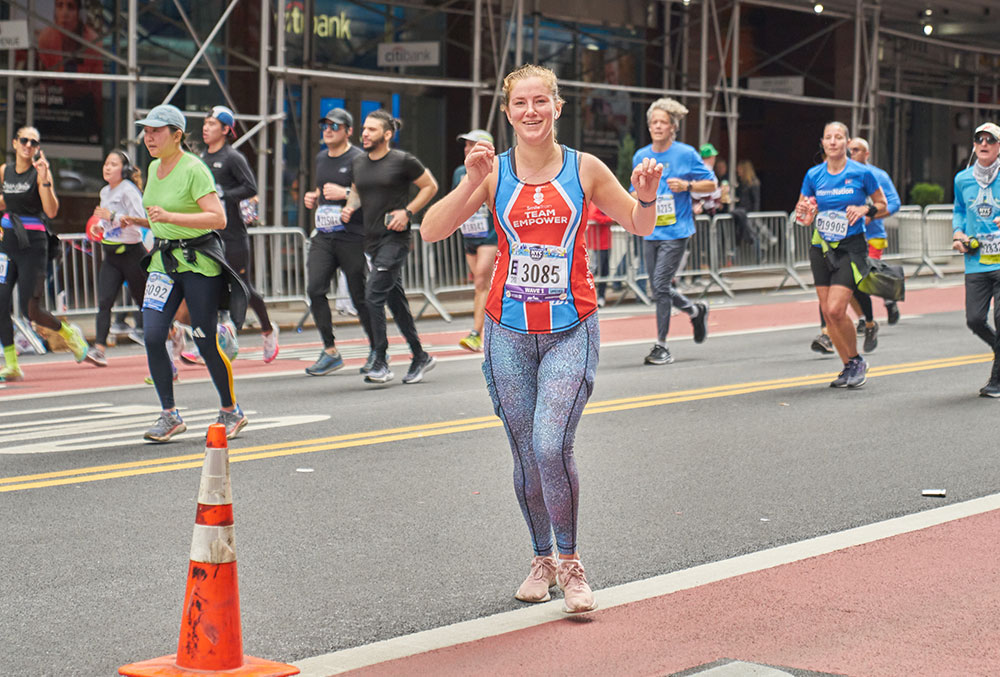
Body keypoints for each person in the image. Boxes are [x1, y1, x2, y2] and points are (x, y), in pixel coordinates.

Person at [421, 63, 663, 614]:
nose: (531, 112)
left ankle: (572, 564)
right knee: (526, 455)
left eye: (540, 101)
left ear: (558, 107)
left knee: (552, 446)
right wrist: (466, 181)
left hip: (569, 331)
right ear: (507, 113)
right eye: (520, 103)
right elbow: (432, 229)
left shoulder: (585, 169)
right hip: (506, 332)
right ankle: (541, 559)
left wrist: (645, 195)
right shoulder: (491, 172)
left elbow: (640, 224)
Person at [127, 104, 249, 442]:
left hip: (198, 263)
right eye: (146, 130)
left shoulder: (195, 169)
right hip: (164, 262)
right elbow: (159, 216)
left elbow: (217, 219)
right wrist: (139, 221)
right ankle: (169, 414)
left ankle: (230, 409)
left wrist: (170, 217)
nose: (149, 136)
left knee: (205, 339)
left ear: (177, 135)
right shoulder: (152, 168)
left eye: (156, 131)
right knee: (153, 335)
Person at [340, 110, 438, 385]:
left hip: (395, 240)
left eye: (371, 130)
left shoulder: (403, 161)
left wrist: (407, 212)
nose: (365, 134)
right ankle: (420, 355)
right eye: (364, 129)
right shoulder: (359, 162)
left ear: (387, 134)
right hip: (370, 240)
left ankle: (380, 359)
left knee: (372, 295)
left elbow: (430, 187)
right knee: (396, 301)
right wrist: (349, 207)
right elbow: (358, 190)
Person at [795, 121, 886, 389]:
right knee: (828, 311)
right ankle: (848, 365)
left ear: (847, 143)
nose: (833, 142)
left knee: (836, 307)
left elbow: (882, 204)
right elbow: (802, 212)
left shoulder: (861, 173)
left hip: (851, 246)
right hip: (821, 246)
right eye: (828, 138)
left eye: (838, 137)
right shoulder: (813, 175)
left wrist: (864, 210)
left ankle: (857, 360)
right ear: (822, 143)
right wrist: (807, 214)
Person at [0, 126, 89, 382]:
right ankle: (12, 365)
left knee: (32, 311)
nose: (28, 145)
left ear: (37, 148)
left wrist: (45, 177)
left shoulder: (39, 173)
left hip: (34, 244)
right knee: (0, 302)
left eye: (34, 142)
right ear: (15, 143)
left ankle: (68, 333)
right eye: (24, 140)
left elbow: (51, 211)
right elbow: (6, 201)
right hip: (8, 245)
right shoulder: (5, 171)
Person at [632, 98, 716, 366]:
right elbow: (634, 190)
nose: (657, 126)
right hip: (650, 229)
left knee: (659, 285)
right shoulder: (640, 155)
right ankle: (694, 310)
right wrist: (637, 195)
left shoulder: (686, 153)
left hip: (676, 230)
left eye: (663, 122)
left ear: (672, 127)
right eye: (653, 122)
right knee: (659, 288)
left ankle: (662, 345)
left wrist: (687, 186)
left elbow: (711, 184)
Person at [200, 105, 279, 363]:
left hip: (233, 235)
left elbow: (250, 187)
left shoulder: (234, 158)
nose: (206, 127)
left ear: (225, 129)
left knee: (242, 287)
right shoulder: (202, 158)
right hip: (209, 235)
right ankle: (210, 342)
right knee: (207, 286)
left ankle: (267, 329)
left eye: (212, 124)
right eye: (205, 123)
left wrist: (223, 194)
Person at [302, 105, 374, 375]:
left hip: (352, 236)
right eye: (325, 126)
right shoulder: (321, 158)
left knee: (359, 297)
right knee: (314, 289)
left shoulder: (359, 158)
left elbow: (371, 195)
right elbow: (322, 192)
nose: (328, 130)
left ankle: (378, 350)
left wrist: (344, 192)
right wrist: (314, 197)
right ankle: (330, 350)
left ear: (349, 131)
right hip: (324, 235)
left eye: (335, 126)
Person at [83, 150, 148, 367]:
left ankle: (171, 333)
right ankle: (100, 349)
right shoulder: (104, 192)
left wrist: (114, 217)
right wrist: (98, 226)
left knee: (144, 303)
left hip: (132, 253)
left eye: (113, 164)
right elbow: (105, 221)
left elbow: (142, 219)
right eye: (106, 164)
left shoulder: (129, 190)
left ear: (125, 170)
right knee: (104, 301)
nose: (107, 167)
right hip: (111, 255)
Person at [951, 122, 1000, 397]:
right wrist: (958, 232)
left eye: (990, 140)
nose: (984, 144)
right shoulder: (963, 179)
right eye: (979, 139)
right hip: (976, 259)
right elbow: (958, 209)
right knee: (974, 319)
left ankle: (996, 380)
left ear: (998, 146)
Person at [848, 137, 902, 344]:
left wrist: (871, 215)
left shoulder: (878, 175)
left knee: (863, 277)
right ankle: (863, 318)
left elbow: (894, 203)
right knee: (850, 278)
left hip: (873, 236)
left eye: (856, 150)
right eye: (849, 150)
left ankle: (889, 296)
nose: (852, 153)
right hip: (850, 237)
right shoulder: (841, 175)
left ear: (866, 154)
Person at [452, 128, 499, 351]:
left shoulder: (494, 170)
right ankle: (494, 325)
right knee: (481, 285)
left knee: (481, 281)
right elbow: (455, 201)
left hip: (490, 234)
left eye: (473, 145)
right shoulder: (459, 172)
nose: (468, 149)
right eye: (466, 145)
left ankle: (475, 333)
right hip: (469, 235)